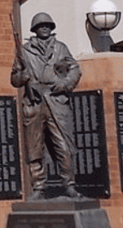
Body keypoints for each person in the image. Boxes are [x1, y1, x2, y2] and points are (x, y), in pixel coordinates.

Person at [10, 12, 82, 200]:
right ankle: (38, 187)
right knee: (34, 148)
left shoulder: (60, 48)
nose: (44, 28)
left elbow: (75, 69)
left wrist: (64, 84)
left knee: (64, 146)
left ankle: (69, 185)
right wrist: (24, 78)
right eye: (41, 25)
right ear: (34, 29)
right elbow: (14, 79)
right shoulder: (25, 51)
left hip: (56, 100)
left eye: (47, 25)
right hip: (34, 103)